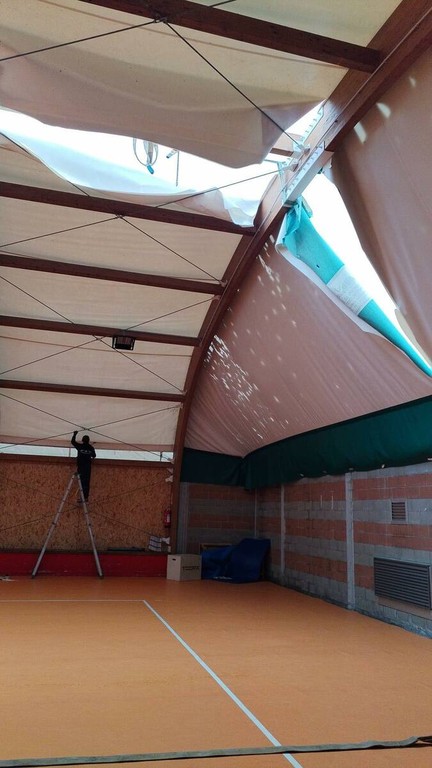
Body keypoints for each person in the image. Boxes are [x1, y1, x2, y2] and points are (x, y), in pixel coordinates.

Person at [71, 431, 96, 501]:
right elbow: (94, 455)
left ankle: (82, 497)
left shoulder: (80, 446)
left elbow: (73, 442)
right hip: (87, 468)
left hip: (81, 467)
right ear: (88, 441)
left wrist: (74, 434)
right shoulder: (91, 447)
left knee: (81, 482)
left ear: (82, 440)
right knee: (86, 482)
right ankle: (85, 497)